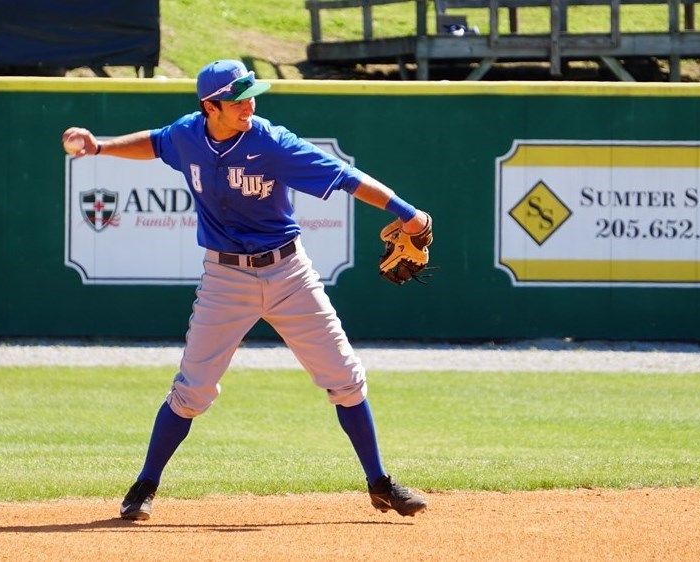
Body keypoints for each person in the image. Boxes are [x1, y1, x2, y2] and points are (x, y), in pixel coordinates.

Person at [62, 59, 431, 521]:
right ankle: (144, 486)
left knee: (345, 377)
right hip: (225, 279)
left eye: (252, 94)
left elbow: (346, 178)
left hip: (289, 273)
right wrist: (99, 147)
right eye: (238, 98)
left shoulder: (271, 142)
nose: (249, 104)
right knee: (192, 391)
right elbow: (155, 144)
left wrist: (407, 212)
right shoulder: (187, 135)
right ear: (210, 106)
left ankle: (380, 482)